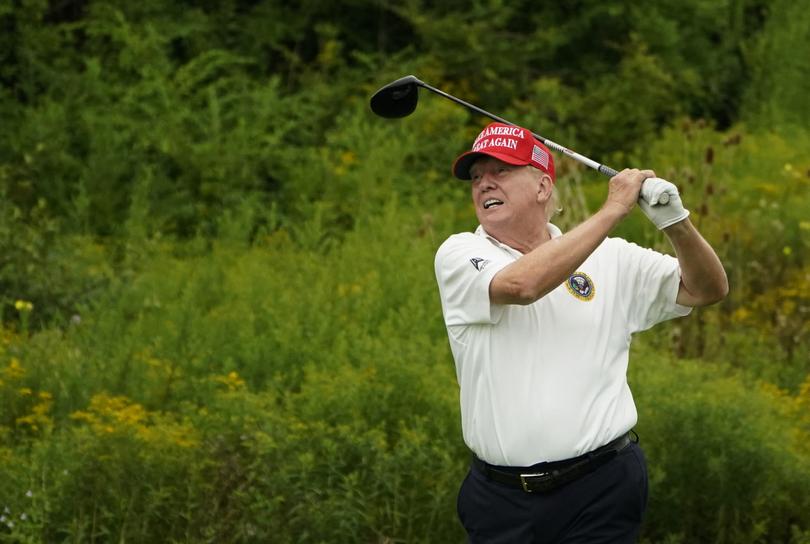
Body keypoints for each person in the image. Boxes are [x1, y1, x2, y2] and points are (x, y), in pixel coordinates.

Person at [434, 122, 728, 543]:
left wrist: (676, 223)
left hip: (602, 488)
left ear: (541, 186)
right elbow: (522, 286)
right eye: (476, 177)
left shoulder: (611, 258)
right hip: (501, 499)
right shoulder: (461, 253)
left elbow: (708, 288)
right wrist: (613, 210)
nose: (484, 184)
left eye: (501, 171)